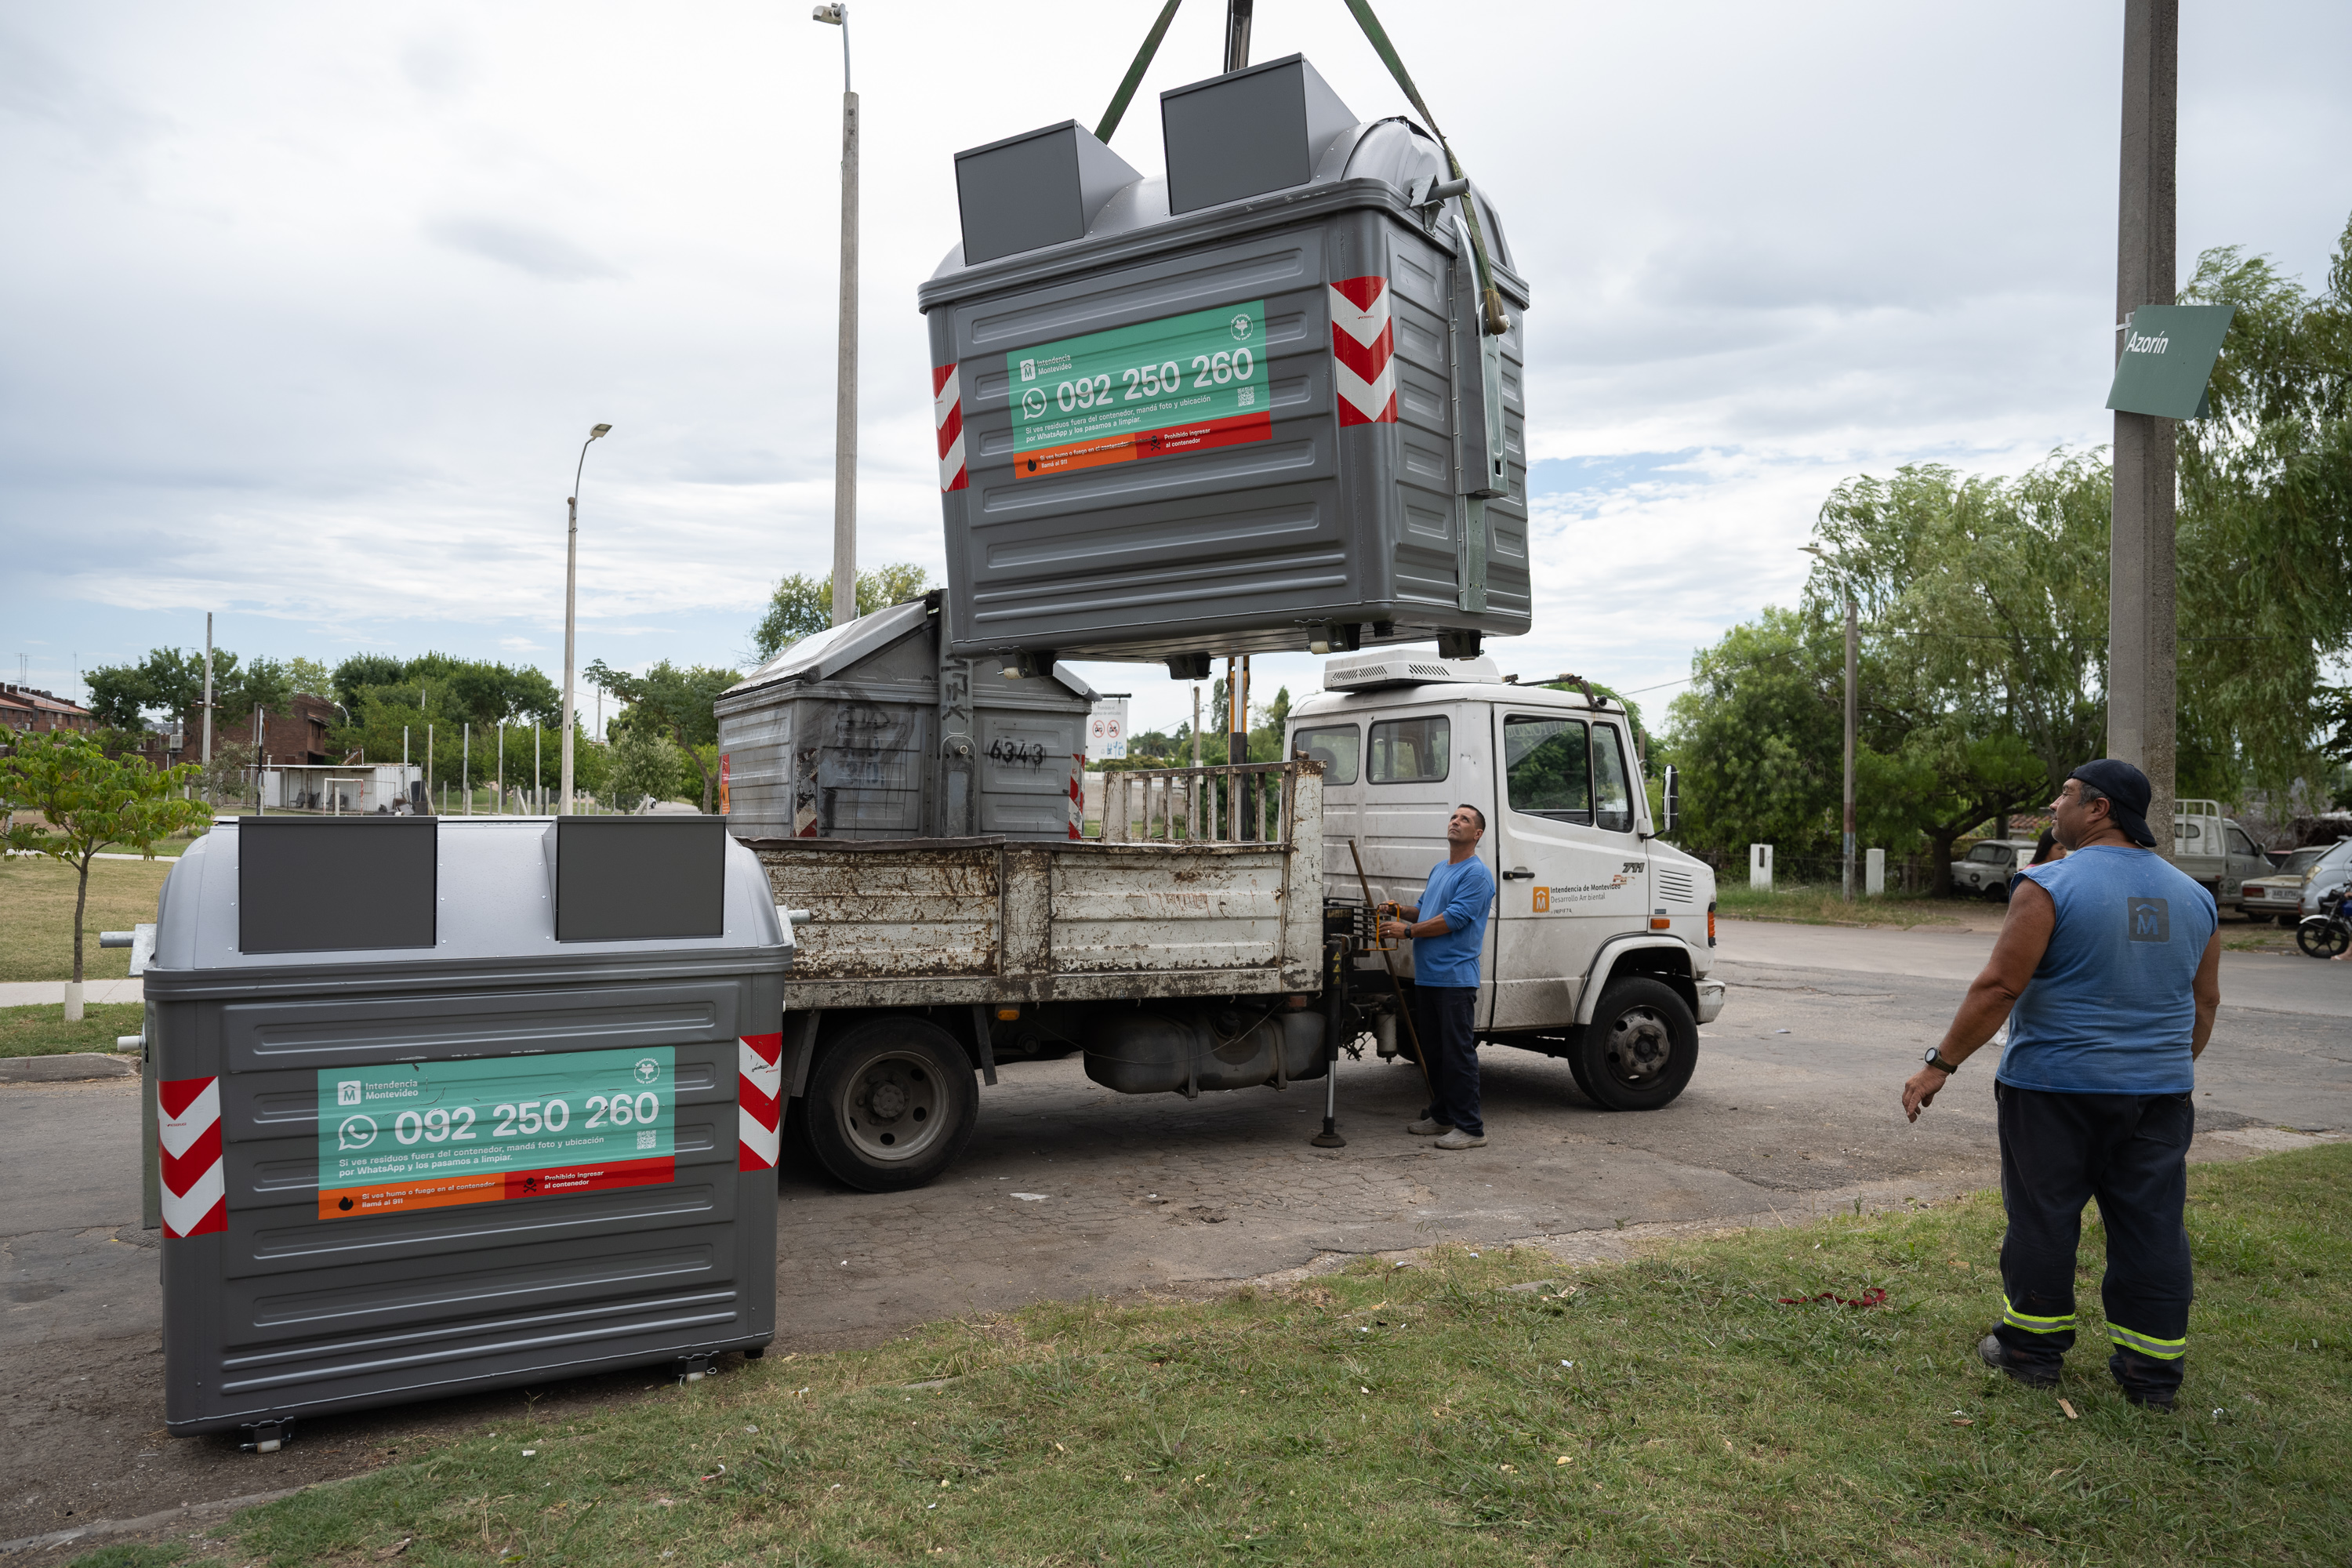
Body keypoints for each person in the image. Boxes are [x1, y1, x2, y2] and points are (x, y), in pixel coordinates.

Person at [1901, 760, 2220, 1410]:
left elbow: (1999, 986)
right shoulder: (2197, 898)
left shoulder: (2047, 885)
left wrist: (1940, 1063)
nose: (2055, 803)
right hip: (2160, 1094)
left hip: (2054, 1091)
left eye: (2067, 795)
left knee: (2044, 1217)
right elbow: (2204, 1005)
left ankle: (2031, 1353)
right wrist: (2159, 1067)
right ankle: (2152, 1378)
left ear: (2099, 809)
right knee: (2153, 1226)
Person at [1380, 804, 1497, 1150]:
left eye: (1465, 820)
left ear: (1477, 834)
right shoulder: (1439, 869)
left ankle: (1471, 1128)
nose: (1455, 822)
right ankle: (1444, 1116)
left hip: (1455, 979)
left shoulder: (1476, 874)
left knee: (1458, 1054)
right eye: (1454, 817)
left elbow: (1454, 919)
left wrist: (1409, 931)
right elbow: (1428, 910)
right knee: (1434, 1053)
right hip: (1429, 978)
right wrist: (1400, 910)